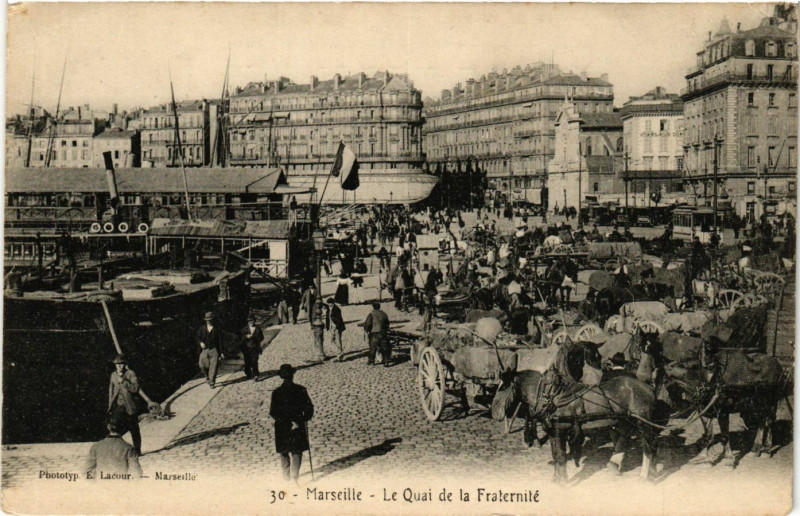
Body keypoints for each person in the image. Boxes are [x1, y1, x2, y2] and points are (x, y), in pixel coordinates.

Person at [269, 364, 314, 484]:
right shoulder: (301, 389)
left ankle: (286, 477)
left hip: (282, 426)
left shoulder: (276, 393)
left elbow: (273, 412)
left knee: (284, 451)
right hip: (297, 425)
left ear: (281, 377)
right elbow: (309, 408)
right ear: (293, 375)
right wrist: (303, 419)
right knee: (296, 451)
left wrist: (285, 420)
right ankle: (295, 477)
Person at [107, 354, 149, 456]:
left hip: (130, 406)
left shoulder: (131, 374)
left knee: (134, 429)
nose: (119, 366)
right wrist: (110, 405)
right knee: (115, 428)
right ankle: (117, 451)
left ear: (125, 364)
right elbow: (111, 391)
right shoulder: (113, 375)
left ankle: (137, 451)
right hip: (119, 406)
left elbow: (135, 389)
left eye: (121, 364)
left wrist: (125, 382)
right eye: (117, 364)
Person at [84, 411, 143, 480]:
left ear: (108, 427)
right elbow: (136, 473)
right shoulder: (129, 448)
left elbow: (85, 470)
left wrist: (94, 484)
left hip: (101, 486)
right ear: (123, 428)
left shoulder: (96, 446)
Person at [196, 312, 223, 388]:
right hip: (205, 349)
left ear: (212, 320)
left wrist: (221, 353)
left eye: (210, 320)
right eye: (207, 320)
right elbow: (197, 337)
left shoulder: (216, 329)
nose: (208, 321)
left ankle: (212, 381)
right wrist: (200, 342)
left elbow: (220, 341)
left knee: (213, 366)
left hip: (214, 349)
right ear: (205, 320)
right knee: (202, 365)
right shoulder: (202, 328)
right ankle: (207, 376)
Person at [363, 302, 391, 366]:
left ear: (373, 307)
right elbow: (387, 323)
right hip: (383, 333)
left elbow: (368, 323)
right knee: (385, 347)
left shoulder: (371, 314)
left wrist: (366, 330)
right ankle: (386, 361)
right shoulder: (384, 313)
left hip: (374, 333)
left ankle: (371, 361)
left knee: (373, 348)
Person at [241, 315, 264, 381]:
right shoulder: (244, 329)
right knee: (247, 362)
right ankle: (248, 373)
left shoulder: (258, 329)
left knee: (254, 361)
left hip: (255, 348)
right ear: (248, 322)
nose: (251, 322)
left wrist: (256, 338)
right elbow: (241, 339)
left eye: (252, 321)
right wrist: (246, 337)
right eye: (249, 321)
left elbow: (262, 337)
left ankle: (255, 375)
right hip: (246, 348)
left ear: (254, 321)